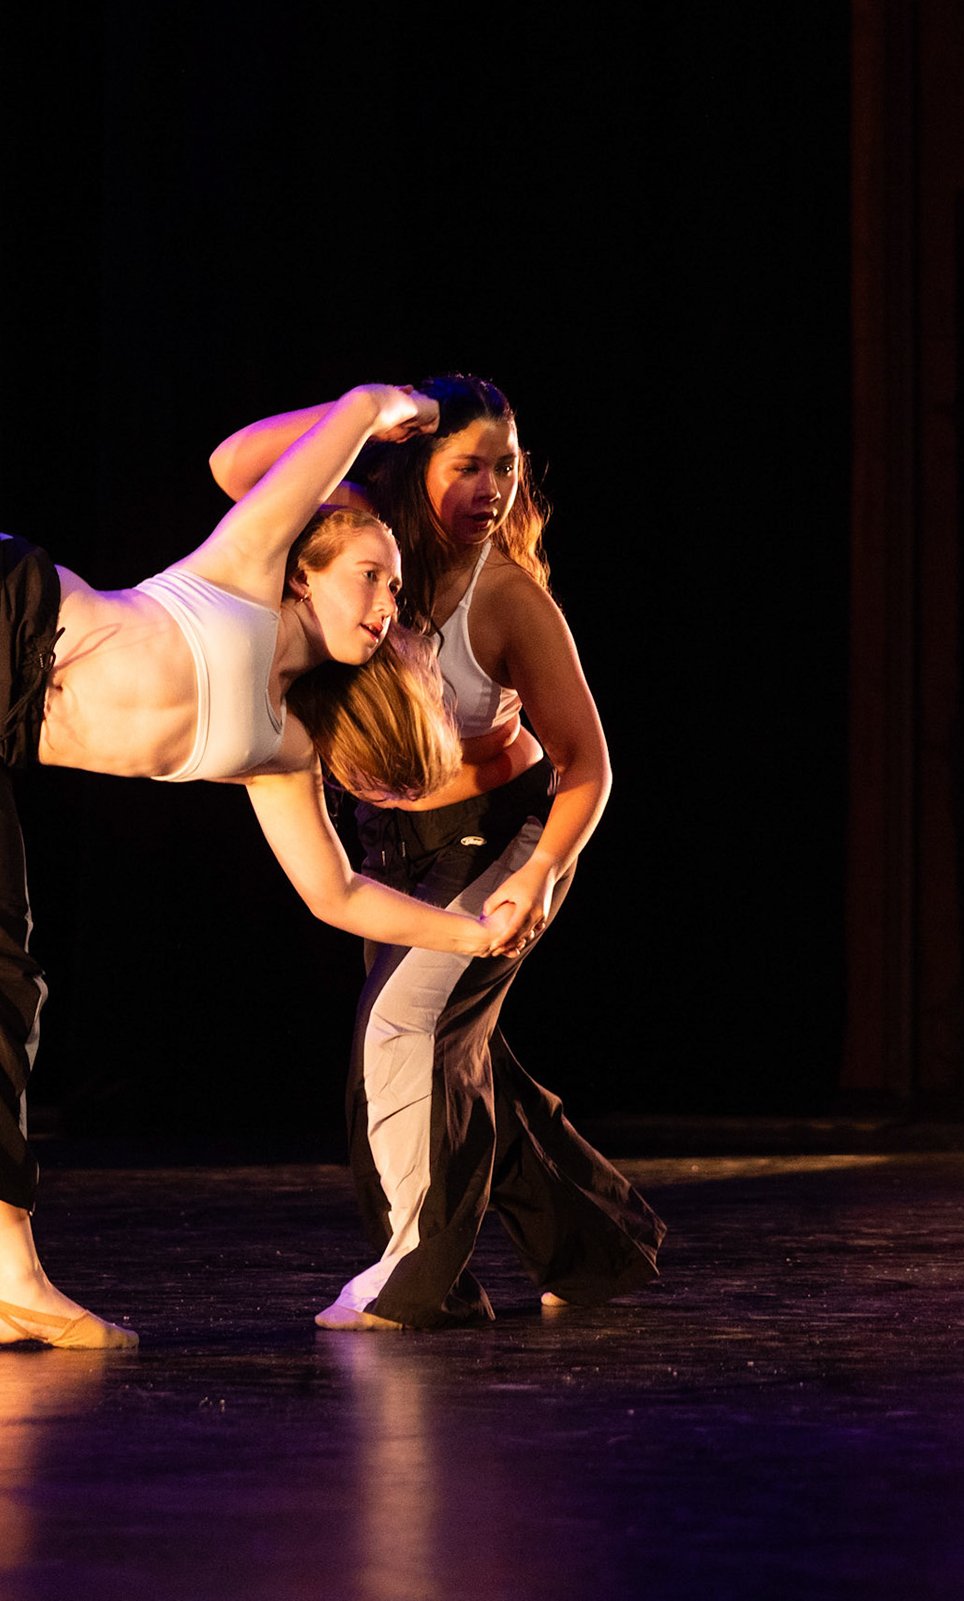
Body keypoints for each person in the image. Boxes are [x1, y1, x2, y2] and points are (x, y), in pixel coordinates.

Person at [0, 7, 524, 1352]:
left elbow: (335, 894)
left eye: (394, 592)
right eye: (370, 574)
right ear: (310, 569)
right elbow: (308, 452)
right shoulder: (244, 572)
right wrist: (380, 410)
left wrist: (468, 933)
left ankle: (0, 1277)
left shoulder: (284, 747)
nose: (387, 602)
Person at [210, 373, 664, 1329]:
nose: (491, 489)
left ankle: (422, 1283)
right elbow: (233, 465)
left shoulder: (506, 597)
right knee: (458, 1053)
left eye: (507, 467)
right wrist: (369, 411)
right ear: (418, 465)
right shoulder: (359, 531)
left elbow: (587, 763)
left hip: (501, 836)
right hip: (392, 844)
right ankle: (594, 1250)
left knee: (404, 1033)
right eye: (466, 467)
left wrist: (538, 874)